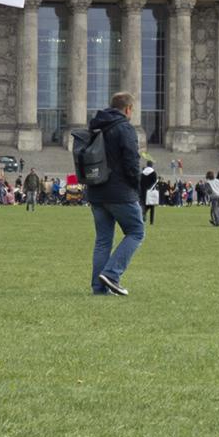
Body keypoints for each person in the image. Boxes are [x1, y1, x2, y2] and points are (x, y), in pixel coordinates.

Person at [86, 90, 146, 295]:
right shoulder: (125, 128)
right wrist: (136, 187)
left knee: (103, 241)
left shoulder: (95, 126)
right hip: (120, 192)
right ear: (128, 108)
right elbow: (132, 162)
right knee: (136, 232)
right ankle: (112, 274)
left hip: (96, 192)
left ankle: (99, 288)